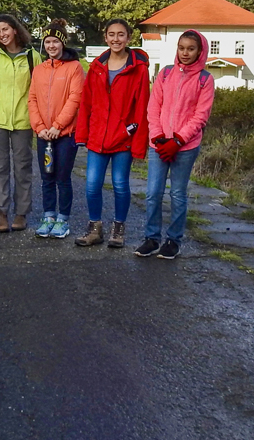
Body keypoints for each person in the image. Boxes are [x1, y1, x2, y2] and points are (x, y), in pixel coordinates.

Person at [137, 30, 215, 260]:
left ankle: (173, 240)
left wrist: (179, 139)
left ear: (200, 51)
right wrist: (159, 136)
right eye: (182, 48)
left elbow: (201, 115)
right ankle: (151, 238)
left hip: (186, 147)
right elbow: (153, 107)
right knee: (153, 193)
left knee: (178, 194)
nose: (185, 53)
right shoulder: (165, 74)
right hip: (159, 144)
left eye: (191, 49)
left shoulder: (205, 79)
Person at [75, 18, 150, 248]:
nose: (116, 39)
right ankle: (95, 227)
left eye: (121, 34)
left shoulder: (138, 68)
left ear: (128, 38)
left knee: (120, 184)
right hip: (98, 136)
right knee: (91, 184)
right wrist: (82, 134)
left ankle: (118, 228)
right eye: (111, 34)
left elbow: (142, 106)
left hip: (123, 137)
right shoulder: (97, 66)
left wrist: (137, 141)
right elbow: (86, 103)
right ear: (105, 37)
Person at [0, 13, 42, 233]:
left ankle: (21, 213)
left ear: (15, 30)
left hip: (24, 122)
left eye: (5, 29)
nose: (2, 34)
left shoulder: (32, 57)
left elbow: (38, 90)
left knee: (23, 168)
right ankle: (2, 213)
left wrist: (37, 119)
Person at [28, 19, 84, 239]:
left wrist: (57, 126)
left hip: (65, 134)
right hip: (44, 135)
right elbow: (32, 98)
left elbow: (75, 98)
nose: (51, 46)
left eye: (55, 41)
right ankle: (48, 216)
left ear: (62, 43)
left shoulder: (74, 68)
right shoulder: (40, 70)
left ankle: (63, 219)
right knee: (46, 177)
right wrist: (40, 127)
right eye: (47, 42)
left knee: (62, 177)